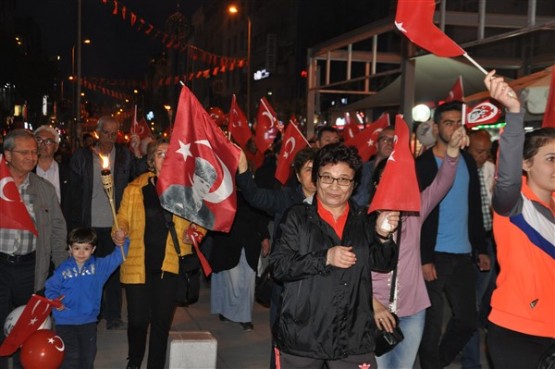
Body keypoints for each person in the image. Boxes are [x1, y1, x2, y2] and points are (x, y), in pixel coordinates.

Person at [270, 143, 400, 368]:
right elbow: (279, 266)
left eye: (343, 179)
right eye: (327, 177)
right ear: (316, 179)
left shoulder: (363, 218)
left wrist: (383, 235)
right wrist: (325, 258)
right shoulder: (297, 217)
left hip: (351, 337)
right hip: (304, 336)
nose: (334, 186)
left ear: (354, 183)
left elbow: (383, 263)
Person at [371, 125, 468, 369]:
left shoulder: (414, 213)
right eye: (385, 180)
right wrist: (372, 304)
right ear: (375, 185)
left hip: (413, 310)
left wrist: (453, 151)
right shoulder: (361, 221)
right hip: (377, 311)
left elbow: (441, 184)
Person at [113, 138, 207, 369]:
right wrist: (119, 231)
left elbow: (200, 222)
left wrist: (194, 233)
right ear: (151, 161)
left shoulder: (185, 191)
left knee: (161, 323)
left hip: (169, 266)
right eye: (160, 154)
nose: (165, 158)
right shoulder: (135, 188)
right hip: (138, 266)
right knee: (137, 321)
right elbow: (122, 218)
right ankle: (134, 361)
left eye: (169, 154)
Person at [484, 71, 555, 368]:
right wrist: (514, 113)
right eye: (551, 159)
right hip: (517, 331)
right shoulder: (513, 203)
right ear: (526, 164)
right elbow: (507, 177)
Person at [416, 101, 490, 369]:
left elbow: (473, 209)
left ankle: (437, 362)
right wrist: (424, 258)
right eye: (449, 122)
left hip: (463, 255)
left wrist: (480, 248)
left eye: (459, 122)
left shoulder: (468, 161)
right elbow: (419, 215)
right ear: (436, 128)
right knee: (431, 326)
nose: (455, 127)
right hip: (434, 255)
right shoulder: (423, 164)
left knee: (468, 321)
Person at [236, 146, 317, 367]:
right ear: (298, 175)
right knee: (282, 345)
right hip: (287, 288)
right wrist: (243, 167)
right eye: (309, 169)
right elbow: (254, 196)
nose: (315, 174)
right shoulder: (287, 198)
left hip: (319, 287)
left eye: (319, 169)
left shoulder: (334, 202)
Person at [0, 129, 67, 369]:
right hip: (1, 265)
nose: (31, 157)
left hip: (30, 268)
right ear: (7, 155)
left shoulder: (44, 190)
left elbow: (59, 233)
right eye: (24, 152)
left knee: (27, 329)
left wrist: (62, 272)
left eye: (34, 153)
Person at [69, 115, 138, 330]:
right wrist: (74, 228)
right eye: (105, 133)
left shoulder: (125, 157)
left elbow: (138, 179)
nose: (109, 138)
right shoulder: (82, 157)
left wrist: (138, 154)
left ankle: (114, 315)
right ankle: (93, 312)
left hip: (115, 226)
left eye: (113, 133)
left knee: (114, 273)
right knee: (90, 273)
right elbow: (73, 194)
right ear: (98, 132)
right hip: (89, 224)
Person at [44, 227, 129, 369]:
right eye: (77, 248)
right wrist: (55, 301)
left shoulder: (99, 267)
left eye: (86, 248)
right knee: (69, 357)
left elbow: (118, 257)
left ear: (93, 249)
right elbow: (50, 288)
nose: (81, 253)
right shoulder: (62, 270)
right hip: (65, 322)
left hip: (88, 321)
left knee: (87, 356)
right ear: (70, 249)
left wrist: (123, 241)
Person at [461, 129, 498, 369]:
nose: (483, 156)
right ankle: (471, 362)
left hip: (490, 240)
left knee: (482, 298)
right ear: (467, 149)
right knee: (470, 304)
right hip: (467, 244)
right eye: (478, 151)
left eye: (486, 151)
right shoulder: (460, 171)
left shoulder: (490, 170)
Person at [209, 193, 270, 331]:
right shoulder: (223, 187)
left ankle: (244, 317)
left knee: (247, 282)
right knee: (228, 281)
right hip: (227, 240)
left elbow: (259, 212)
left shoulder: (251, 188)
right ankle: (225, 312)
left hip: (249, 242)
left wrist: (265, 237)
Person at [162, 156, 217, 229]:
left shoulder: (208, 215)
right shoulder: (175, 191)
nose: (203, 188)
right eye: (201, 181)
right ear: (194, 177)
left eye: (207, 186)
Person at [33, 125, 72, 220]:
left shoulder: (68, 173)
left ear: (56, 147)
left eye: (48, 141)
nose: (43, 144)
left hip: (58, 226)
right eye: (39, 140)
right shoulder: (25, 172)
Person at [352, 126, 395, 207]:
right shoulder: (362, 170)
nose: (389, 143)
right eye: (385, 139)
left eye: (393, 140)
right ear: (377, 145)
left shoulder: (400, 172)